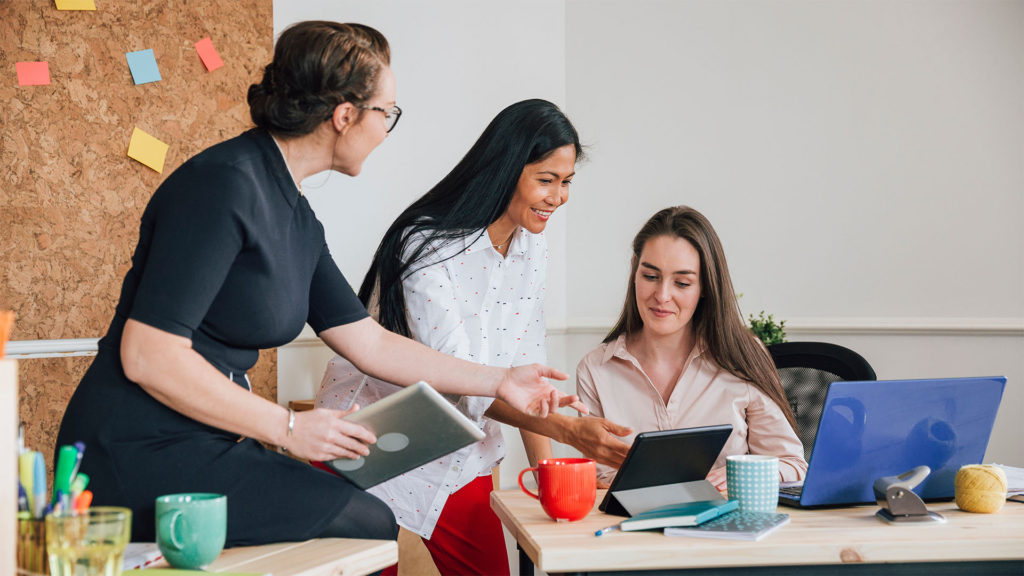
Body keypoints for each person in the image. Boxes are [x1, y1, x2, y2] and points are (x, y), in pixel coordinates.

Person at [55, 21, 579, 547]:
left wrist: (499, 379)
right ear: (345, 116)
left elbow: (369, 341)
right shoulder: (223, 185)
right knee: (366, 524)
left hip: (208, 441)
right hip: (136, 447)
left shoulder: (297, 216)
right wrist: (288, 429)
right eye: (386, 114)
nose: (385, 131)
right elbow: (149, 356)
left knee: (368, 522)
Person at [317, 99, 633, 576]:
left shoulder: (533, 249)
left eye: (566, 182)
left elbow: (528, 372)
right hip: (371, 449)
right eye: (546, 179)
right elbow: (463, 378)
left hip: (458, 456)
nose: (558, 196)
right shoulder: (425, 245)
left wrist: (547, 480)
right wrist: (571, 433)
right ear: (506, 170)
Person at [576, 206, 808, 490]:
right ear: (634, 270)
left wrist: (740, 474)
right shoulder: (596, 369)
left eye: (682, 283)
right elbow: (600, 478)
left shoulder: (742, 355)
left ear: (706, 286)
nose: (662, 296)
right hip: (633, 528)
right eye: (650, 276)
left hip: (723, 526)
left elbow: (792, 466)